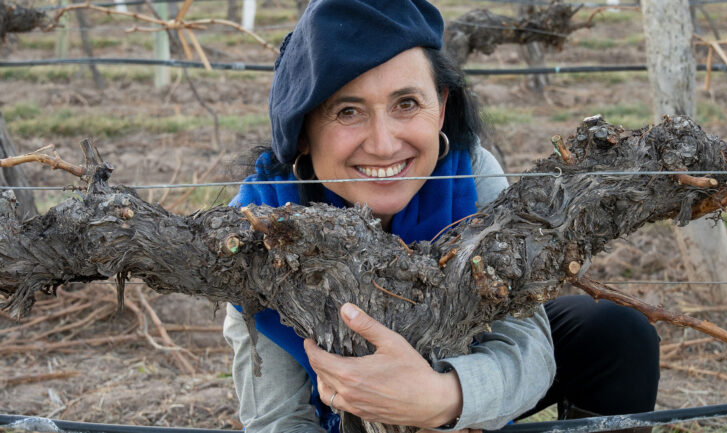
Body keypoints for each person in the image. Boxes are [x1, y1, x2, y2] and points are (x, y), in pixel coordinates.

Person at [223, 1, 660, 432]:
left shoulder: (469, 175)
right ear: (301, 131)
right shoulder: (258, 219)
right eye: (347, 111)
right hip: (340, 411)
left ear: (442, 105)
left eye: (407, 104)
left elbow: (526, 349)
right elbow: (277, 417)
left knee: (614, 333)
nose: (383, 144)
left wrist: (442, 399)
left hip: (457, 370)